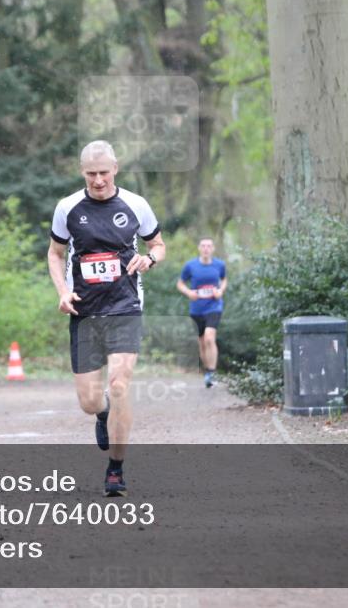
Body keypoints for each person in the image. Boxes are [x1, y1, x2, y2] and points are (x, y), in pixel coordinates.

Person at [47, 140, 165, 497]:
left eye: (103, 173)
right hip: (84, 310)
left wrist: (149, 259)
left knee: (119, 384)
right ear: (82, 172)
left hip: (125, 306)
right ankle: (103, 414)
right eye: (91, 174)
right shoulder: (68, 208)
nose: (98, 180)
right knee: (89, 401)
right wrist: (62, 292)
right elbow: (55, 254)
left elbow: (158, 244)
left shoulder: (135, 204)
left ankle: (116, 469)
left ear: (115, 169)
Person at [177, 238, 226, 388]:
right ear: (199, 248)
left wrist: (220, 291)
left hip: (214, 306)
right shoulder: (190, 266)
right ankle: (207, 372)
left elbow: (224, 280)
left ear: (213, 248)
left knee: (210, 337)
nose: (206, 249)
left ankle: (212, 372)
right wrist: (189, 292)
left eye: (209, 246)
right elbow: (180, 283)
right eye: (203, 246)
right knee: (202, 343)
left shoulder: (219, 265)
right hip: (197, 309)